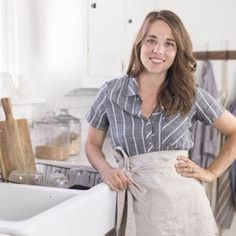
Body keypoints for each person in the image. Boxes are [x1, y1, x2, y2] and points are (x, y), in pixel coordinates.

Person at [85, 10, 236, 236]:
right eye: (151, 40)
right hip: (134, 203)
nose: (158, 50)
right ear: (139, 44)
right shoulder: (111, 93)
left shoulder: (191, 95)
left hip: (186, 207)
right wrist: (106, 170)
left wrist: (211, 173)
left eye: (169, 44)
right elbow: (92, 145)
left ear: (177, 52)